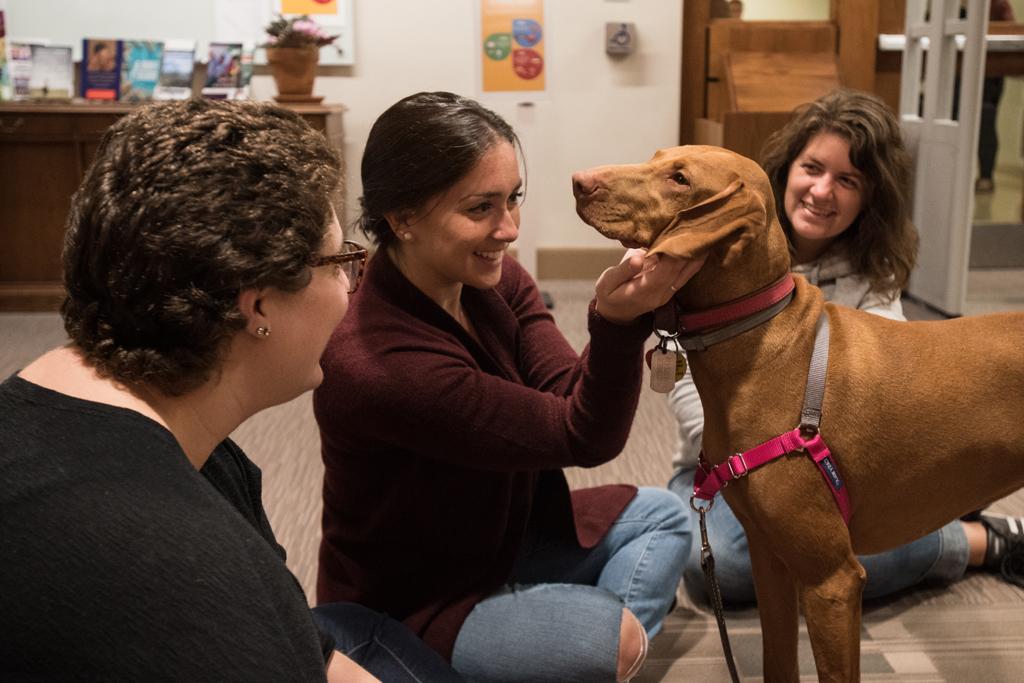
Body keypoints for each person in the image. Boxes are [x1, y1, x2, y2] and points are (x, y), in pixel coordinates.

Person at [0, 99, 463, 682]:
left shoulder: (193, 454)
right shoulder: (189, 572)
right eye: (340, 262)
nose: (349, 288)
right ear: (260, 303)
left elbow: (311, 654)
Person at [314, 91, 703, 682]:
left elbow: (569, 388)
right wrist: (617, 323)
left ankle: (568, 650)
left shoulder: (494, 280)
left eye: (513, 198)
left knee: (665, 516)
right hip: (419, 597)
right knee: (616, 636)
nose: (510, 228)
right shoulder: (382, 364)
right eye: (481, 208)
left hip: (506, 536)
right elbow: (583, 433)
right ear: (401, 218)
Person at [667, 88, 1024, 606]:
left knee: (814, 541)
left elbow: (884, 409)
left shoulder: (875, 276)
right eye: (812, 168)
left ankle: (953, 532)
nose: (821, 191)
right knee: (719, 567)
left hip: (835, 473)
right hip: (719, 470)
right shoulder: (718, 254)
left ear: (869, 197)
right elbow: (693, 403)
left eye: (847, 180)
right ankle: (968, 541)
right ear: (786, 168)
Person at [975, 0, 1016, 193]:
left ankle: (985, 176)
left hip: (988, 74)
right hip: (960, 72)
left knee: (986, 120)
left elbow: (1009, 31)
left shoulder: (997, 4)